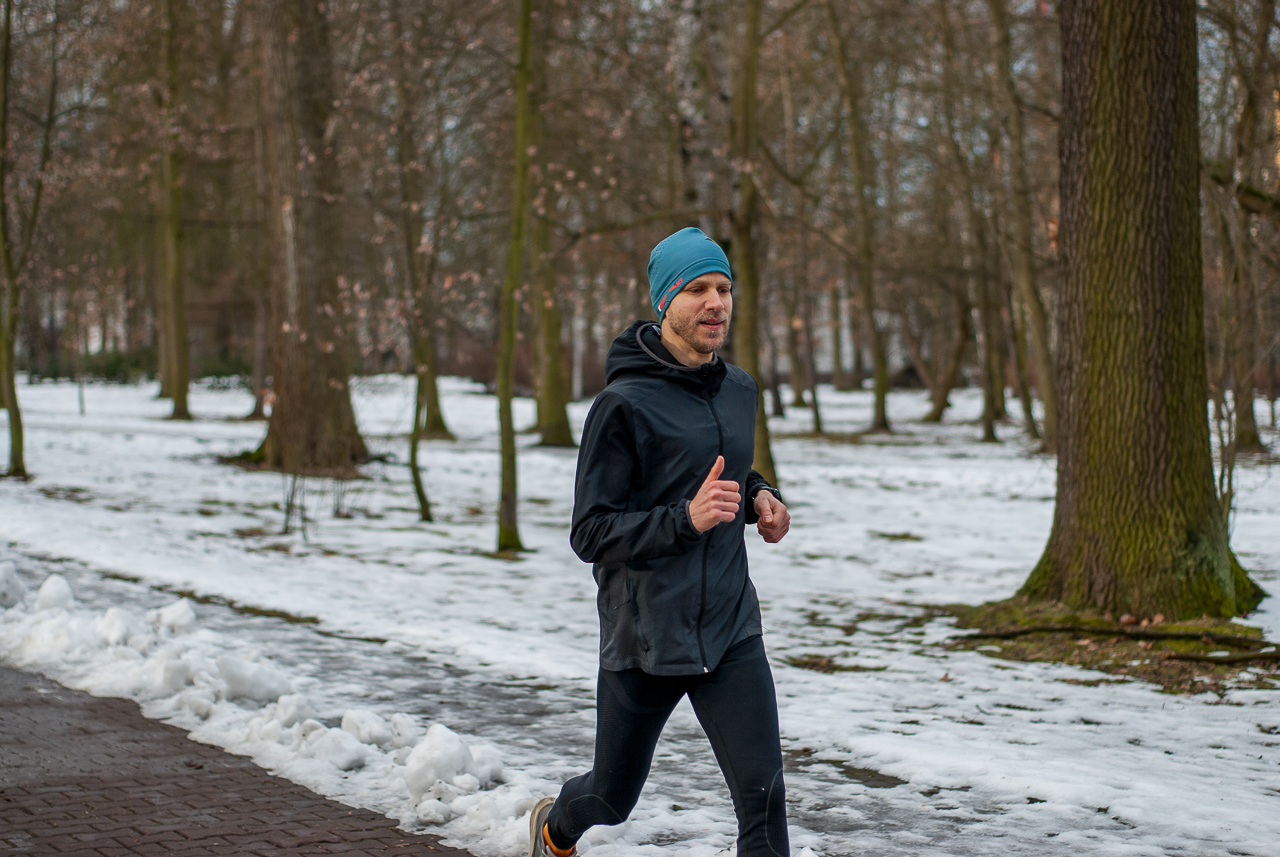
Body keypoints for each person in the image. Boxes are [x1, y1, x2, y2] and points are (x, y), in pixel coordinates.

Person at [527, 227, 791, 857]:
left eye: (724, 288)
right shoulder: (622, 405)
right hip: (646, 635)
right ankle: (553, 828)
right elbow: (590, 532)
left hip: (729, 627)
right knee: (609, 800)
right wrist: (685, 520)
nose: (716, 303)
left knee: (764, 799)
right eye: (698, 289)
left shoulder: (739, 389)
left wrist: (759, 497)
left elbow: (724, 467)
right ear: (665, 300)